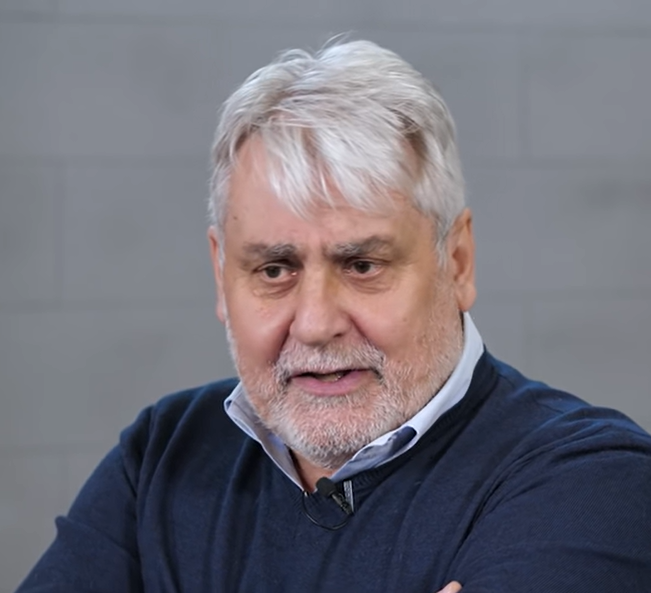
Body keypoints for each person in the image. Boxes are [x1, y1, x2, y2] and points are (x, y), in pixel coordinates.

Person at [16, 39, 651, 593]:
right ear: (221, 274)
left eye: (362, 264)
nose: (316, 324)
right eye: (274, 270)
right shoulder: (161, 457)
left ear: (456, 262)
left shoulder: (592, 484)